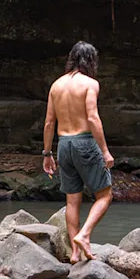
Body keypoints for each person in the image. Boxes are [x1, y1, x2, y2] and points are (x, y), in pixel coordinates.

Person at [42, 41, 114, 263]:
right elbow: (92, 117)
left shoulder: (56, 85)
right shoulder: (90, 84)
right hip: (84, 141)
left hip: (63, 144)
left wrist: (47, 153)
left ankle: (75, 253)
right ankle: (84, 235)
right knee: (105, 194)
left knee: (72, 200)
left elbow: (49, 123)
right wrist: (105, 151)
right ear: (91, 61)